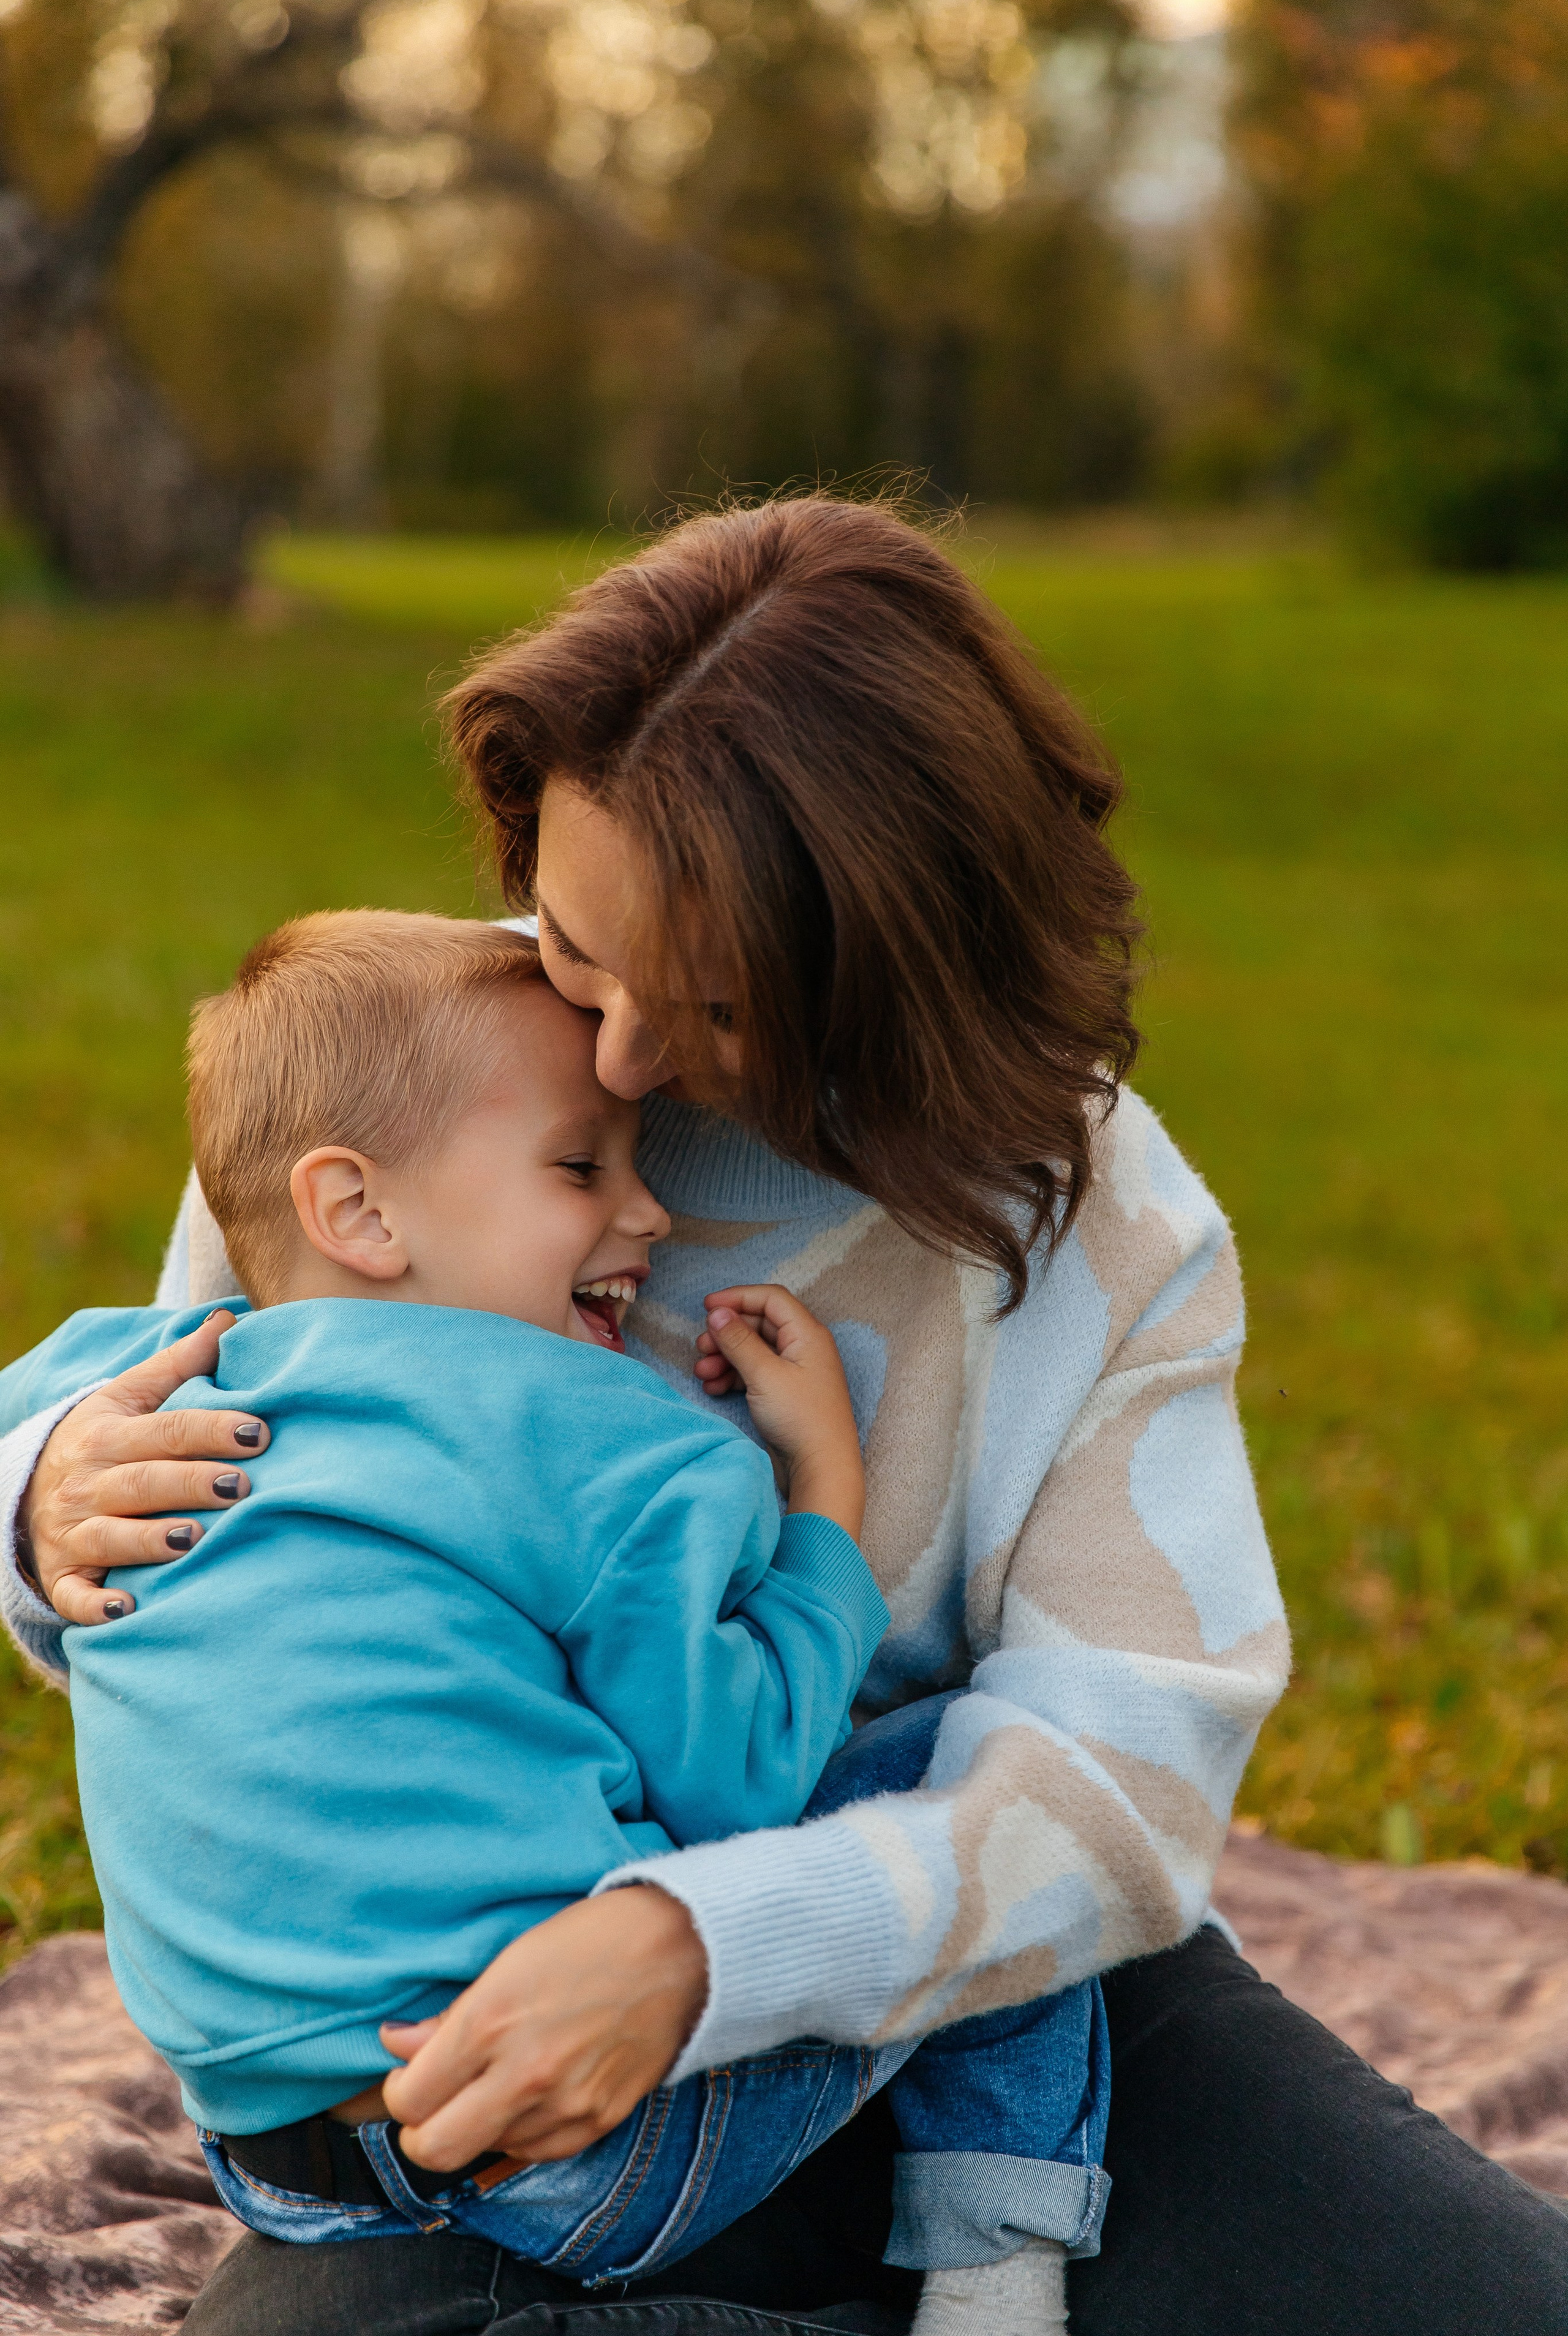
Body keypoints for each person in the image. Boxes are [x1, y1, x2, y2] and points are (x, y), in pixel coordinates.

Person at [6, 496, 1566, 2335]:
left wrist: (704, 1950)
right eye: (577, 938)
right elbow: (256, 1549)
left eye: (722, 1006)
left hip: (950, 1996)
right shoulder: (418, 1077)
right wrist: (41, 1504)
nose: (621, 1066)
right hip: (501, 2061)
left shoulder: (1109, 1233)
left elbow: (1122, 1776)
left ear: (913, 970)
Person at [1, 907, 1109, 2336]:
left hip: (278, 2164)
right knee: (972, 1783)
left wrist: (36, 1493)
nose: (647, 1215)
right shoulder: (603, 1444)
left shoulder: (123, 1398)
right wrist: (823, 1497)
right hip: (585, 2149)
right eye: (583, 1166)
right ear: (357, 1212)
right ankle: (993, 2268)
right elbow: (736, 1775)